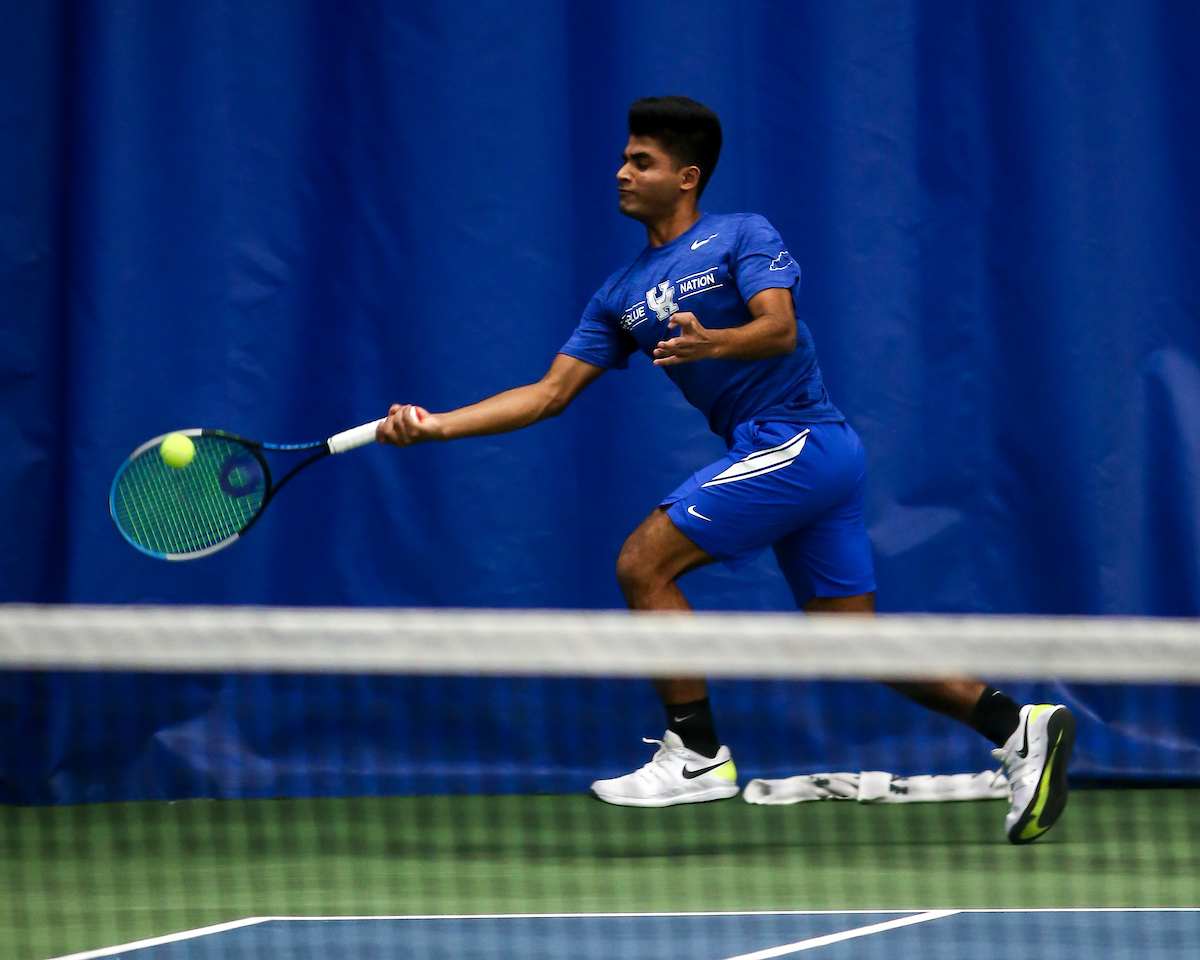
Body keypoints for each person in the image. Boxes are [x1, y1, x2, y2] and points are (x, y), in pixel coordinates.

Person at [377, 95, 1074, 844]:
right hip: (801, 455)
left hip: (800, 440)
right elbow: (549, 394)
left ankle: (697, 755)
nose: (621, 171)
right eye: (623, 157)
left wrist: (712, 344)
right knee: (853, 644)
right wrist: (437, 425)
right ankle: (1016, 727)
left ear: (687, 176)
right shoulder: (618, 294)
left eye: (640, 161)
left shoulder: (742, 234)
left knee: (643, 562)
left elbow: (779, 329)